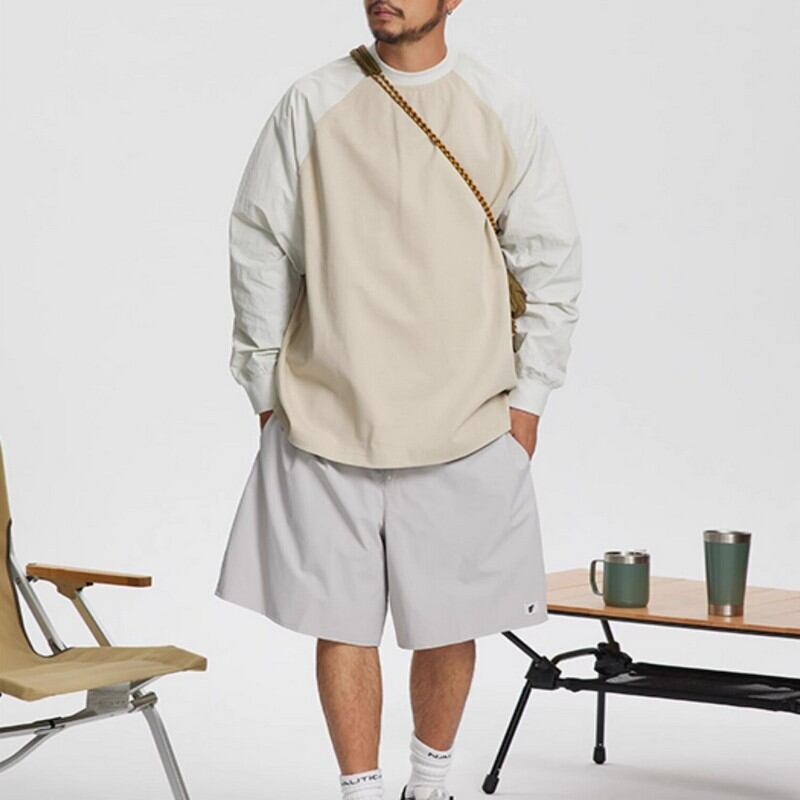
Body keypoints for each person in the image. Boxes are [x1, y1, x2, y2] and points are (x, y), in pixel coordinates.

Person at [215, 1, 582, 798]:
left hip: (468, 415)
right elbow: (259, 240)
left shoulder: (500, 106)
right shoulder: (313, 101)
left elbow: (550, 261)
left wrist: (529, 402)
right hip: (327, 410)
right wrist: (267, 386)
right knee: (340, 622)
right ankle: (362, 792)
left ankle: (432, 785)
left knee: (450, 620)